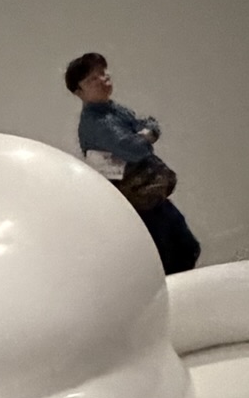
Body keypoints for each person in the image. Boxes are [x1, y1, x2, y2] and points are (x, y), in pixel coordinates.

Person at [64, 52, 201, 274]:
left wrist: (146, 132)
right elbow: (132, 148)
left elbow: (144, 124)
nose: (102, 79)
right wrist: (147, 134)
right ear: (79, 92)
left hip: (149, 194)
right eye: (92, 79)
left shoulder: (114, 110)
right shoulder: (98, 123)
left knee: (184, 247)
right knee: (171, 254)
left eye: (102, 73)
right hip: (139, 198)